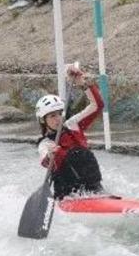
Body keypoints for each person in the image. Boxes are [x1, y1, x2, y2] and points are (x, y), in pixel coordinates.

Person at [35, 63, 104, 199]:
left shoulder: (73, 125)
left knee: (82, 154)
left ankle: (99, 192)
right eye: (52, 116)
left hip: (93, 188)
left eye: (59, 114)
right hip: (67, 194)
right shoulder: (46, 144)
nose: (58, 119)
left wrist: (82, 83)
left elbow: (97, 106)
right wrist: (50, 155)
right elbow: (45, 159)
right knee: (68, 154)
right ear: (43, 120)